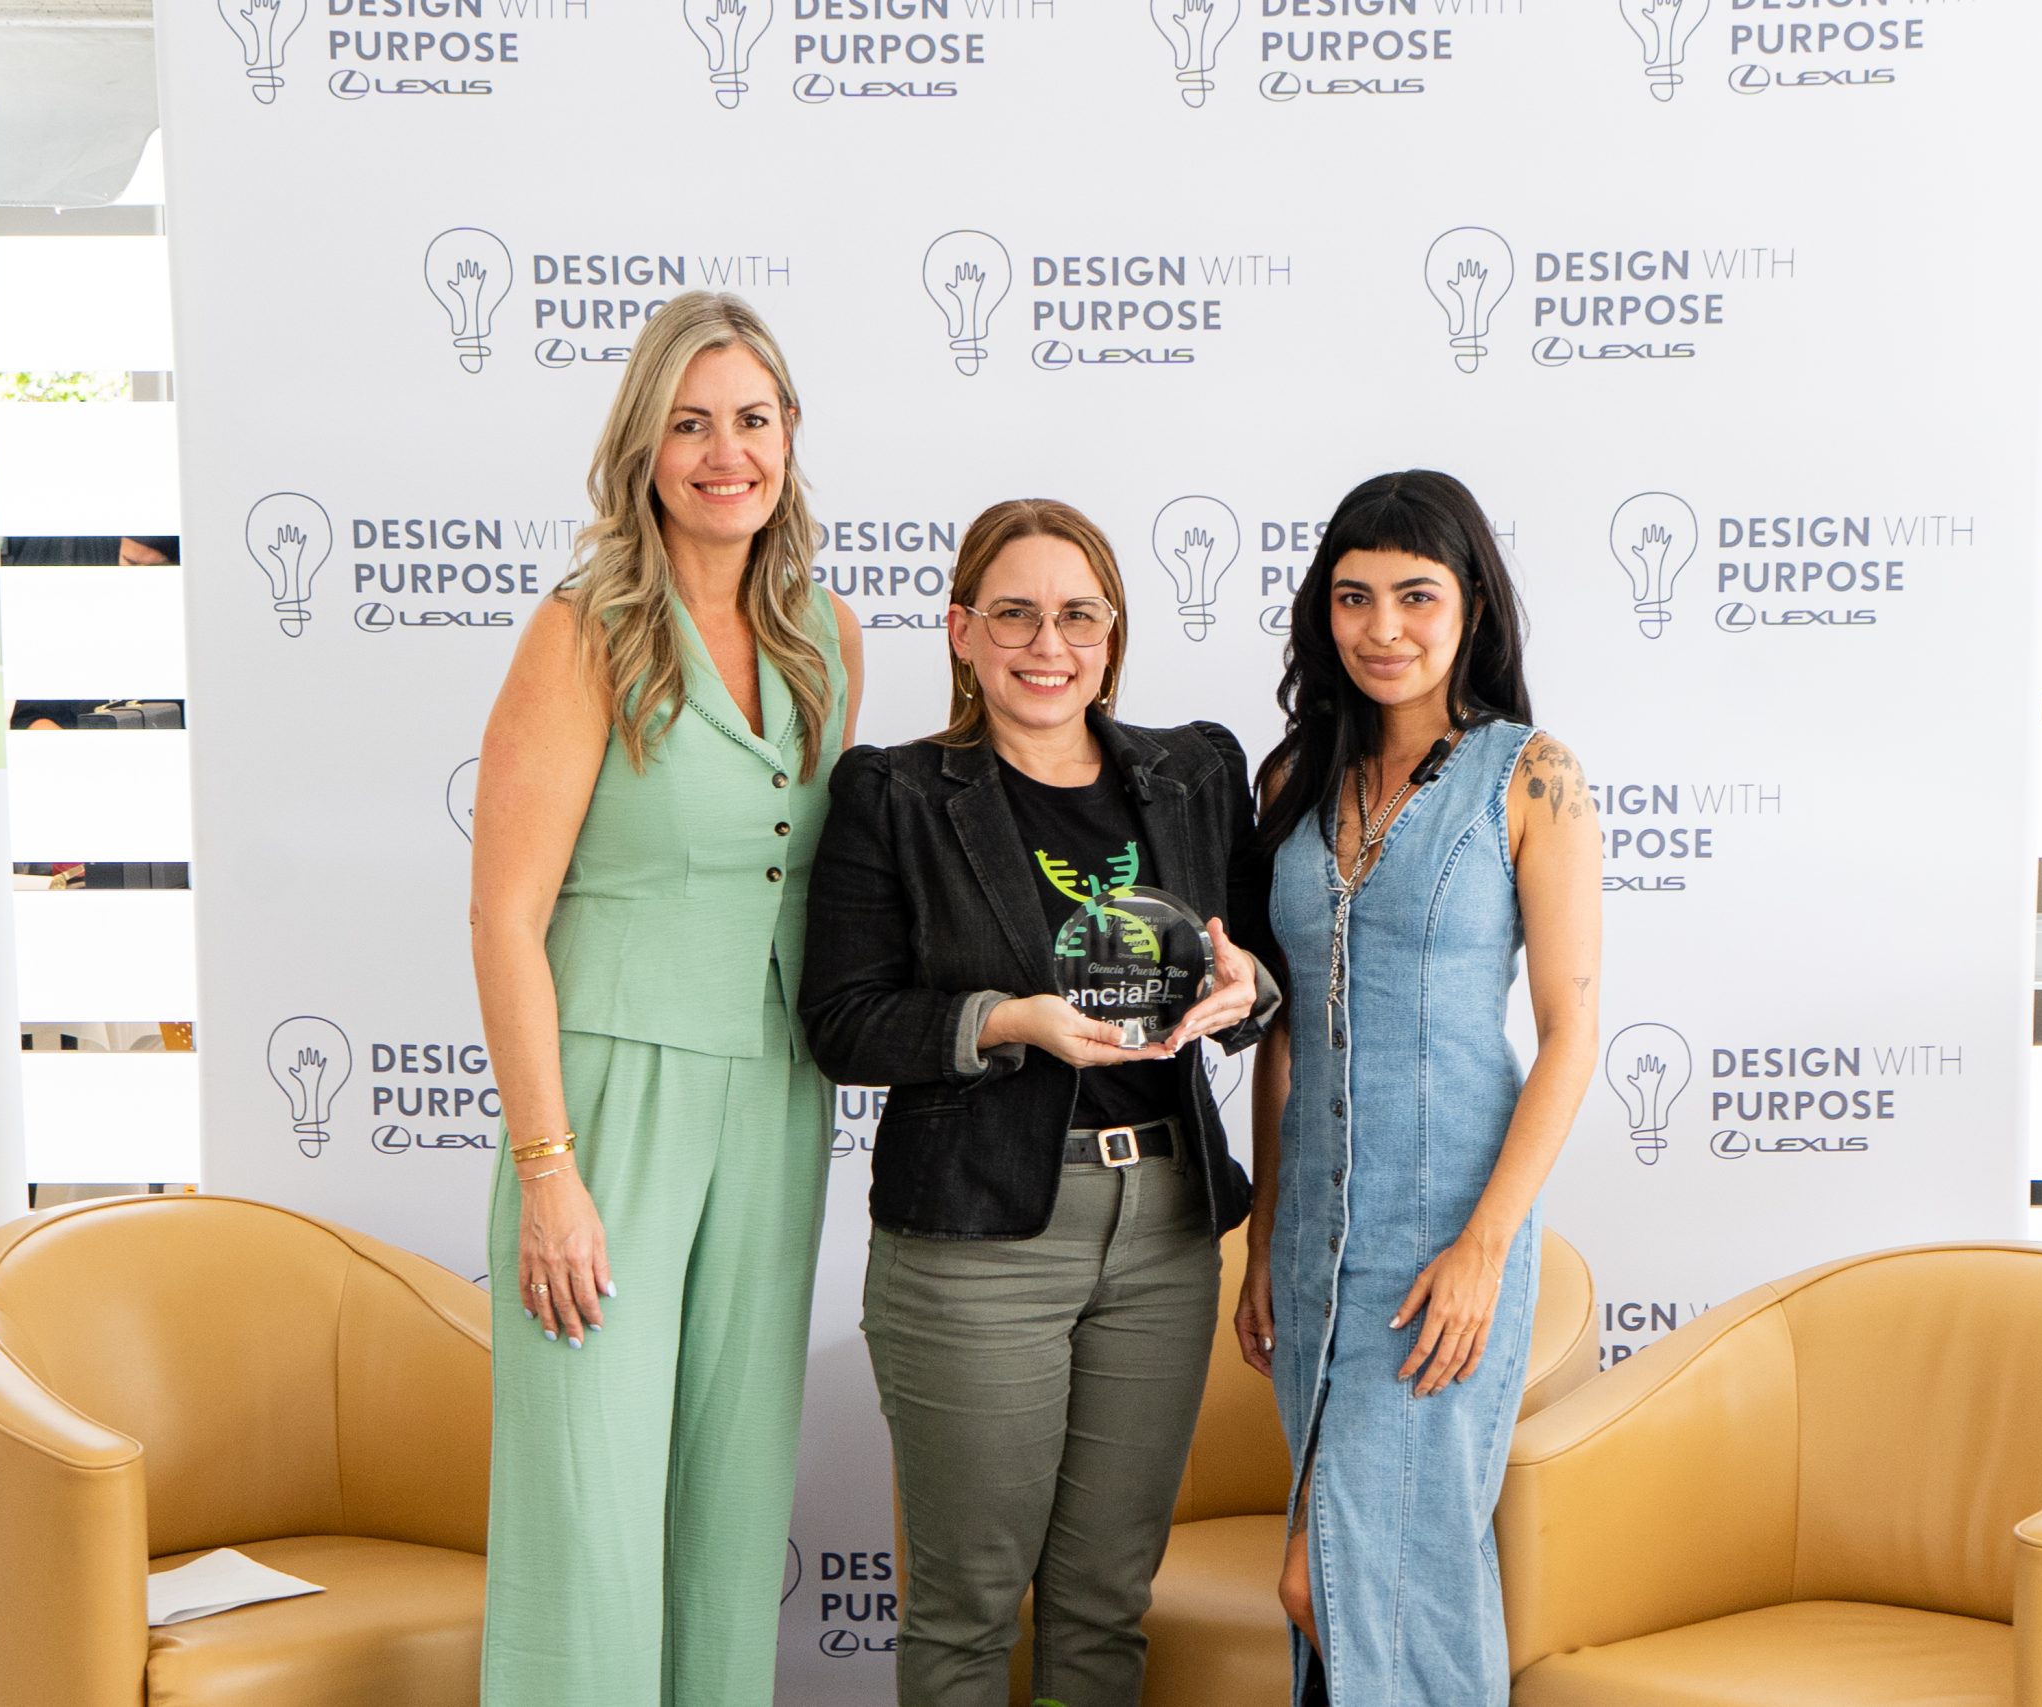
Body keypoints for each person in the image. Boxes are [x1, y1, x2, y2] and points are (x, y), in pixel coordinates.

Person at [800, 498, 1282, 1707]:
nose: (1048, 644)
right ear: (961, 631)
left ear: (1113, 635)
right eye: (1013, 614)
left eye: (1078, 615)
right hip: (977, 1237)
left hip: (1165, 1225)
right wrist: (1005, 1020)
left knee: (1105, 1600)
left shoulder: (1194, 772)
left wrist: (1251, 986)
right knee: (967, 1605)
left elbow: (1262, 968)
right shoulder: (895, 792)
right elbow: (843, 1021)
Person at [467, 291, 862, 1707]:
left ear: (789, 435)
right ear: (643, 444)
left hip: (776, 1089)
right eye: (690, 424)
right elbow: (505, 917)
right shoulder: (582, 632)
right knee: (591, 1511)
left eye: (750, 420)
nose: (723, 453)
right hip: (607, 1095)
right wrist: (547, 1167)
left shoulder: (827, 633)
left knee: (729, 1505)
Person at [1234, 470, 1601, 1706]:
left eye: (1415, 595)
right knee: (1362, 1592)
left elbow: (1570, 1032)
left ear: (1471, 607)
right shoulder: (1295, 779)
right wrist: (1263, 1234)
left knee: (1345, 1582)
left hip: (1446, 1244)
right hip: (1311, 1252)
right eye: (1353, 597)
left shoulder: (1530, 776)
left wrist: (1486, 1248)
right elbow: (1282, 1033)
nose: (1381, 627)